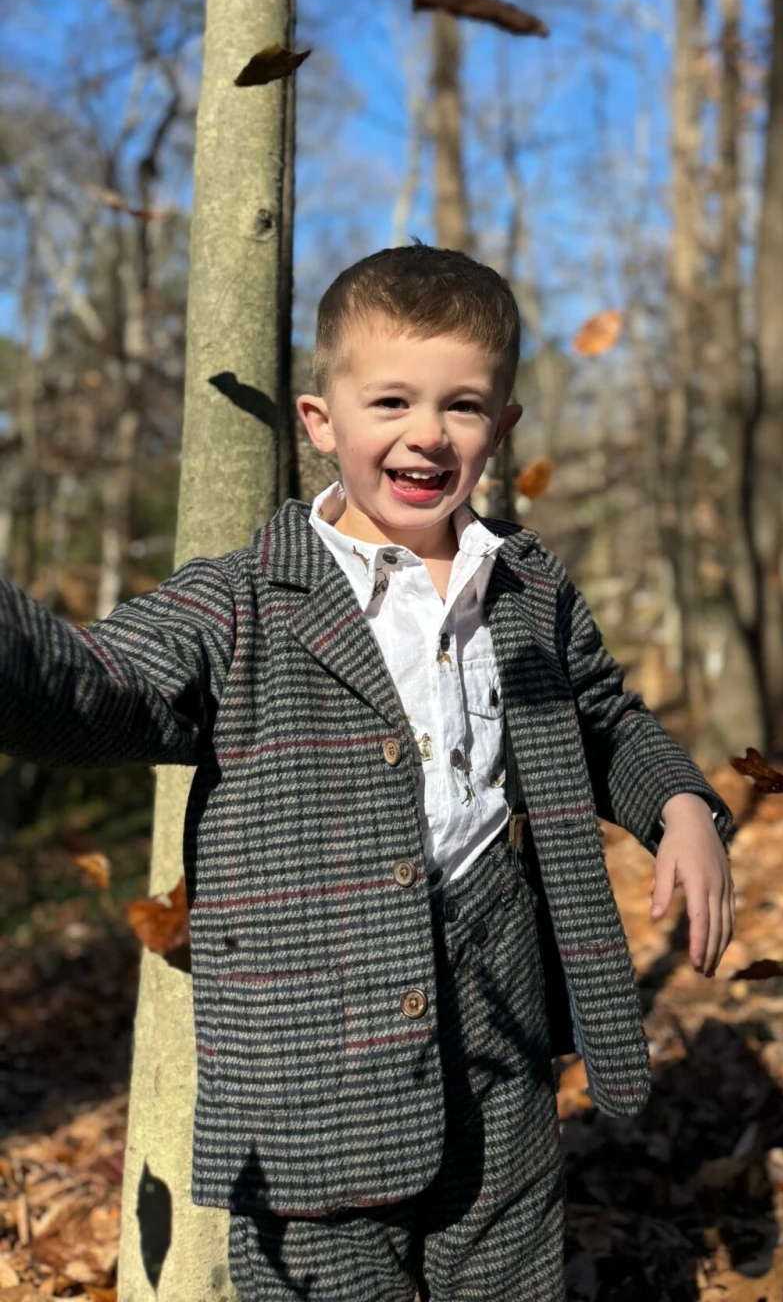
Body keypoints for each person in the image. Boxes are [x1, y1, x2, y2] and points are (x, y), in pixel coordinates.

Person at [0, 244, 735, 1301]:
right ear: (320, 419)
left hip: (502, 1036)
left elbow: (601, 717)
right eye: (390, 399)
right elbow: (97, 681)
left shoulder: (526, 585)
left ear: (502, 427)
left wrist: (680, 804)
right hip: (312, 1078)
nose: (427, 433)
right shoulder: (242, 601)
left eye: (461, 405)